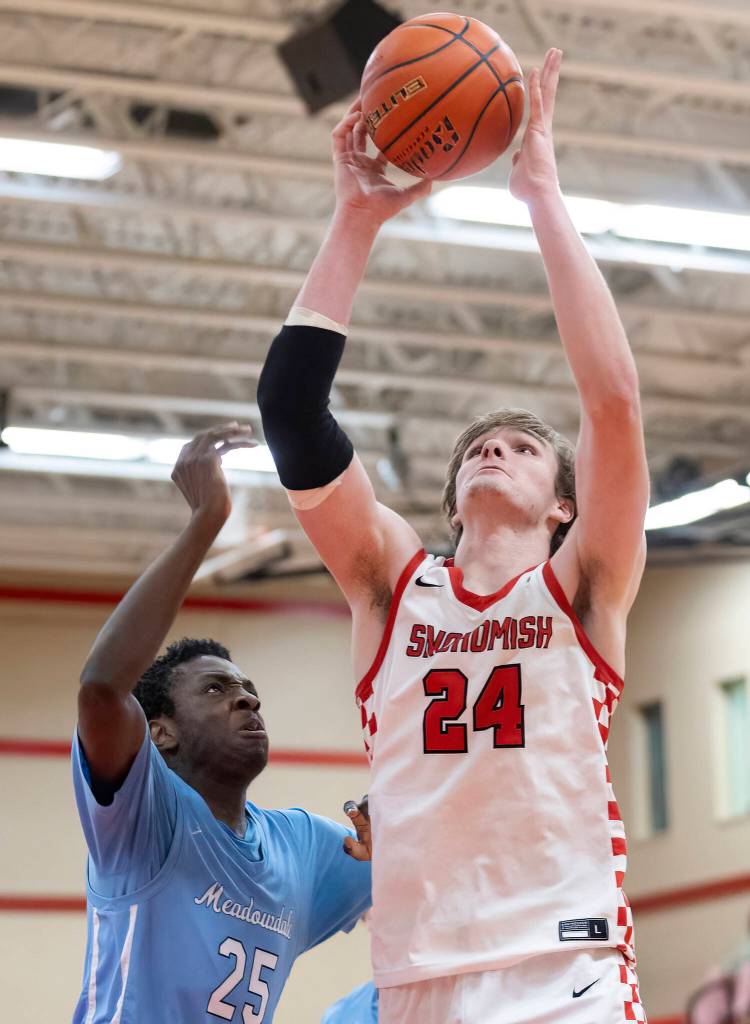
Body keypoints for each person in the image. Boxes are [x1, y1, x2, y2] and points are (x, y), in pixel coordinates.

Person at [259, 46, 649, 1024]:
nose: (493, 449)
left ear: (562, 506)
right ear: (452, 497)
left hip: (563, 969)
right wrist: (355, 219)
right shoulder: (392, 587)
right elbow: (293, 414)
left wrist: (542, 195)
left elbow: (612, 403)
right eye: (478, 446)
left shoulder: (582, 586)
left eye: (522, 447)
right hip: (418, 976)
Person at [72, 424, 372, 1023]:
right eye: (217, 689)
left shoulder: (300, 846)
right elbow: (102, 689)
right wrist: (206, 521)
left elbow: (430, 862)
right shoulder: (143, 816)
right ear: (161, 732)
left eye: (250, 691)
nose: (247, 702)